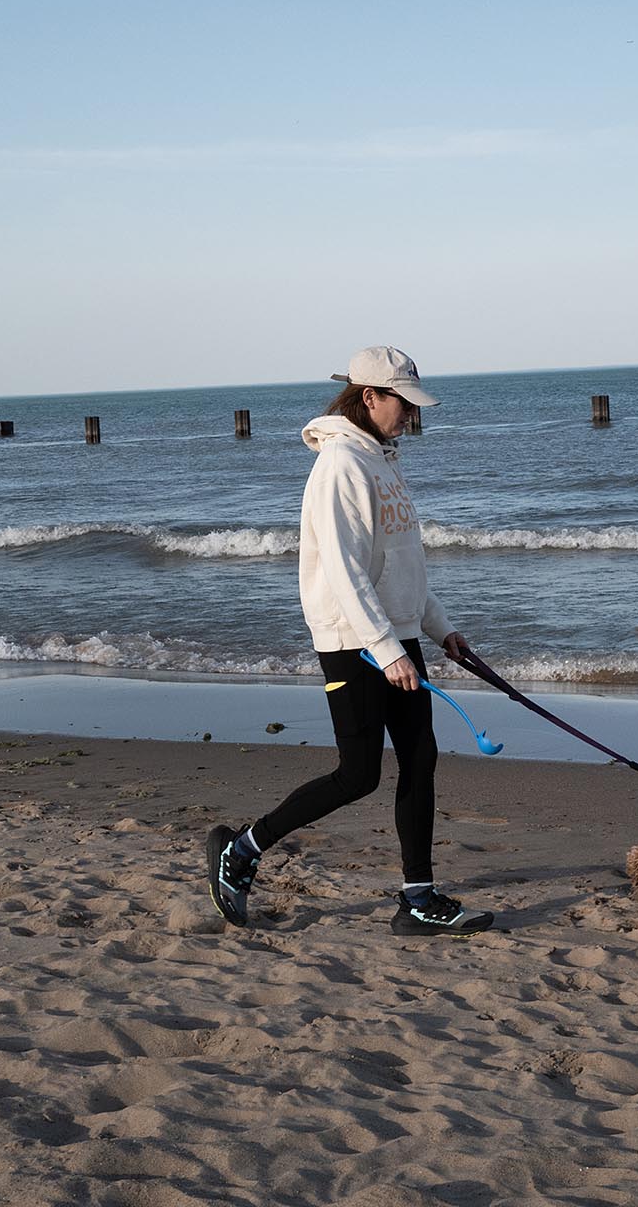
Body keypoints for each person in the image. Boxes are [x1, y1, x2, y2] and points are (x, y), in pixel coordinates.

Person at [205, 346, 495, 936]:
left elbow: (400, 563)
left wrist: (440, 630)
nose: (411, 416)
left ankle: (417, 897)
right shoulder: (341, 465)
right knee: (357, 774)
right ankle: (243, 849)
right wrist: (387, 650)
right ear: (369, 397)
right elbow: (343, 570)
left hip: (394, 637)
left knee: (420, 757)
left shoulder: (383, 461)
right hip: (353, 642)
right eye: (403, 404)